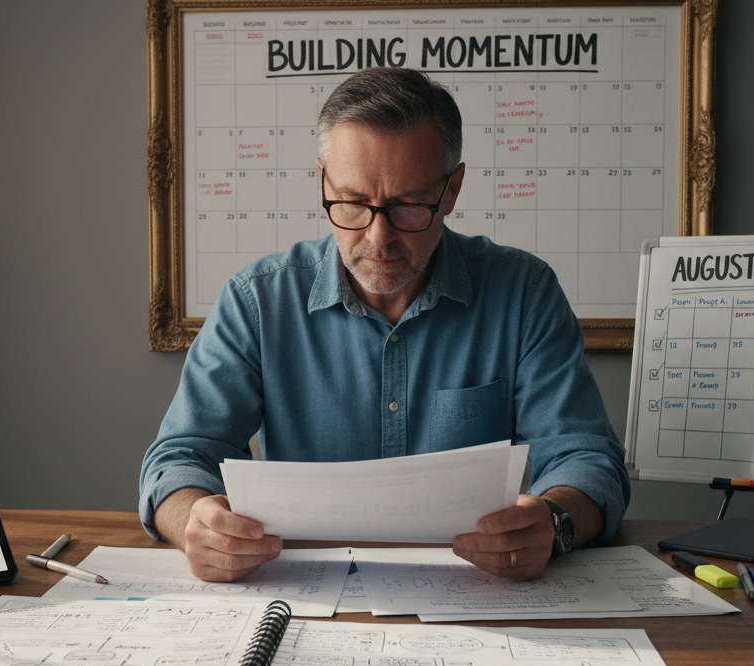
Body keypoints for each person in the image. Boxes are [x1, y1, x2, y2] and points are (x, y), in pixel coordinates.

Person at [139, 67, 629, 583]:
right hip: (304, 594)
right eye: (351, 203)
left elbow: (587, 459)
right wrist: (194, 521)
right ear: (323, 181)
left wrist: (554, 523)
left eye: (408, 207)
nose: (378, 238)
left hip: (477, 599)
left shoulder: (523, 293)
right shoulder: (257, 300)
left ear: (453, 189)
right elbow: (179, 457)